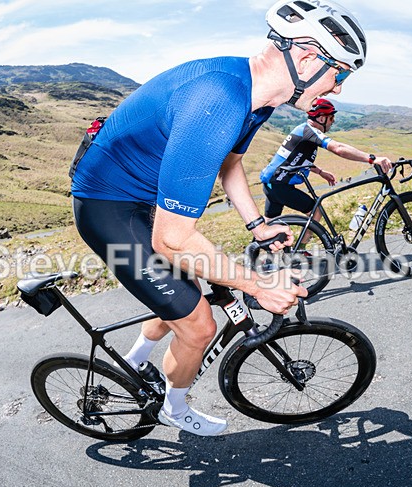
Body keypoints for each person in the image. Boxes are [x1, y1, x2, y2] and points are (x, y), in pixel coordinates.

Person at [70, 0, 369, 436]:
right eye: (339, 73)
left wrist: (258, 225)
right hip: (107, 207)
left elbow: (230, 165)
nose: (338, 88)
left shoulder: (254, 94)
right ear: (306, 57)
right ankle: (174, 404)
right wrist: (259, 286)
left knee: (185, 287)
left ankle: (134, 362)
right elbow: (172, 241)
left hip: (140, 196)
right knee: (199, 325)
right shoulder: (218, 101)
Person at [260, 98, 391, 225]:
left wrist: (320, 172)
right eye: (331, 118)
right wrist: (372, 158)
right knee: (316, 211)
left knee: (267, 228)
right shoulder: (310, 131)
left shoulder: (303, 130)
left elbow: (296, 158)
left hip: (272, 183)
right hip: (279, 185)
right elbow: (339, 148)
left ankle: (256, 247)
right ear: (321, 118)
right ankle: (302, 247)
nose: (332, 122)